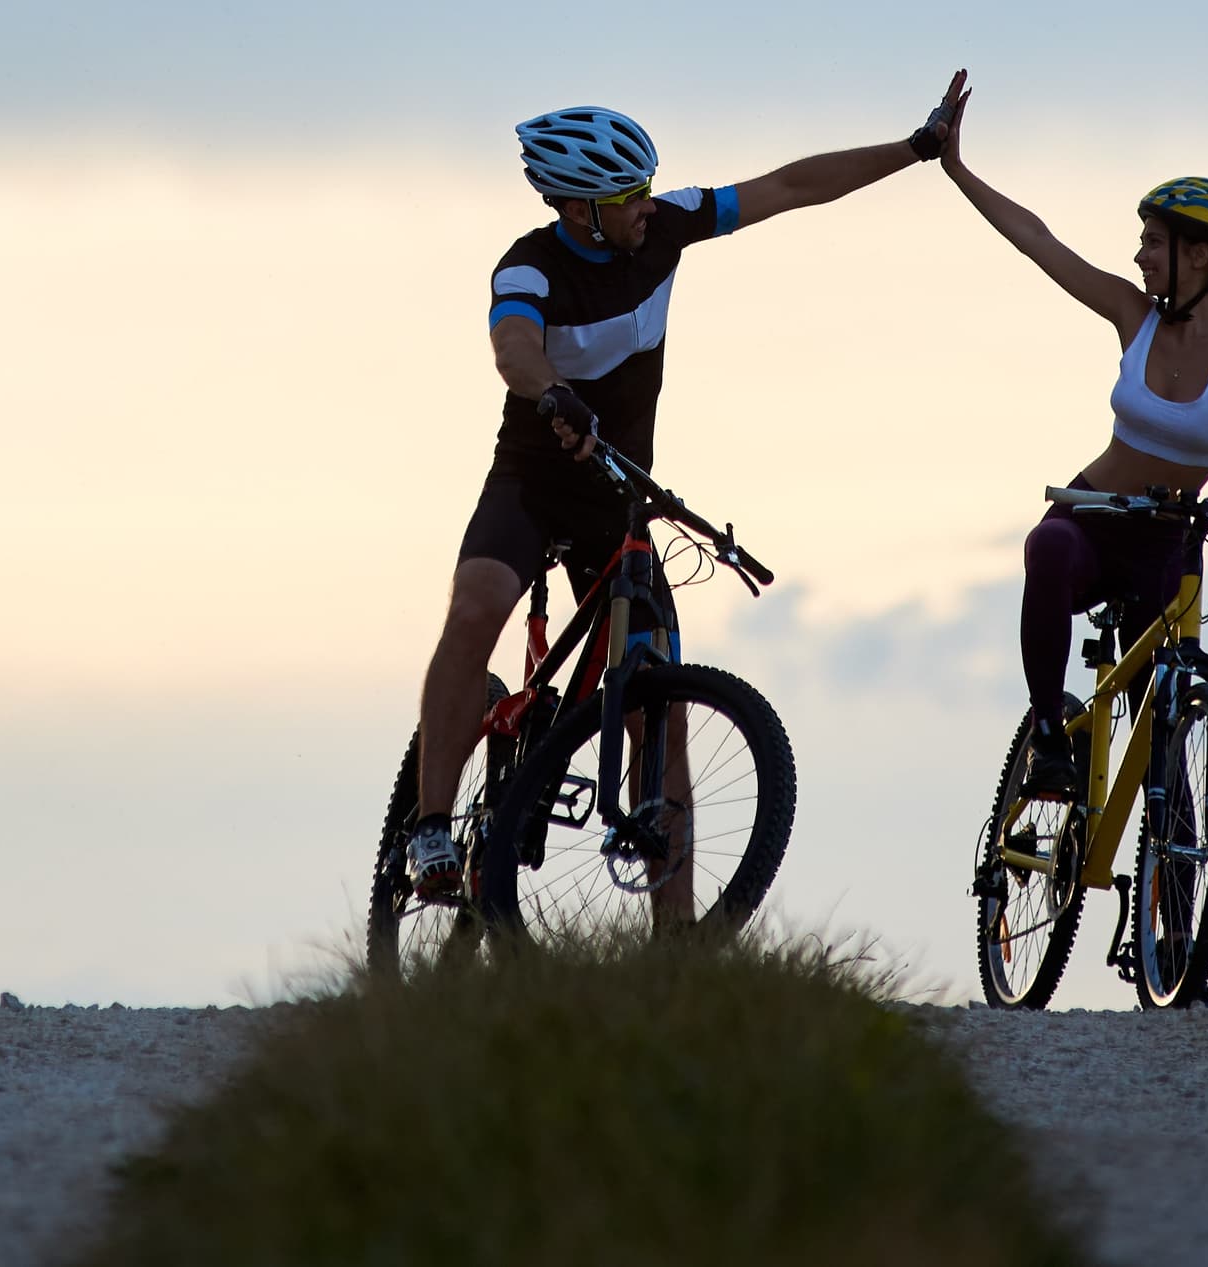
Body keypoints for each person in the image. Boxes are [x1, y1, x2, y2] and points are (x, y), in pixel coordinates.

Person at [403, 92, 958, 900]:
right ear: (579, 208)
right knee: (475, 605)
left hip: (618, 497)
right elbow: (513, 346)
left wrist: (914, 148)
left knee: (659, 703)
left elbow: (792, 186)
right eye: (627, 194)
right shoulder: (529, 265)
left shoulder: (666, 226)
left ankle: (677, 948)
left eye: (646, 185)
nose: (645, 202)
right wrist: (554, 393)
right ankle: (430, 829)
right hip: (530, 483)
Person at [931, 75, 1208, 800]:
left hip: (1169, 537)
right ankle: (1046, 735)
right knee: (1048, 547)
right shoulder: (1135, 315)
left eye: (1153, 243)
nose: (1139, 257)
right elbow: (1040, 243)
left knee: (1166, 719)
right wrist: (957, 168)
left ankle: (1174, 855)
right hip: (1096, 515)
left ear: (1199, 255)